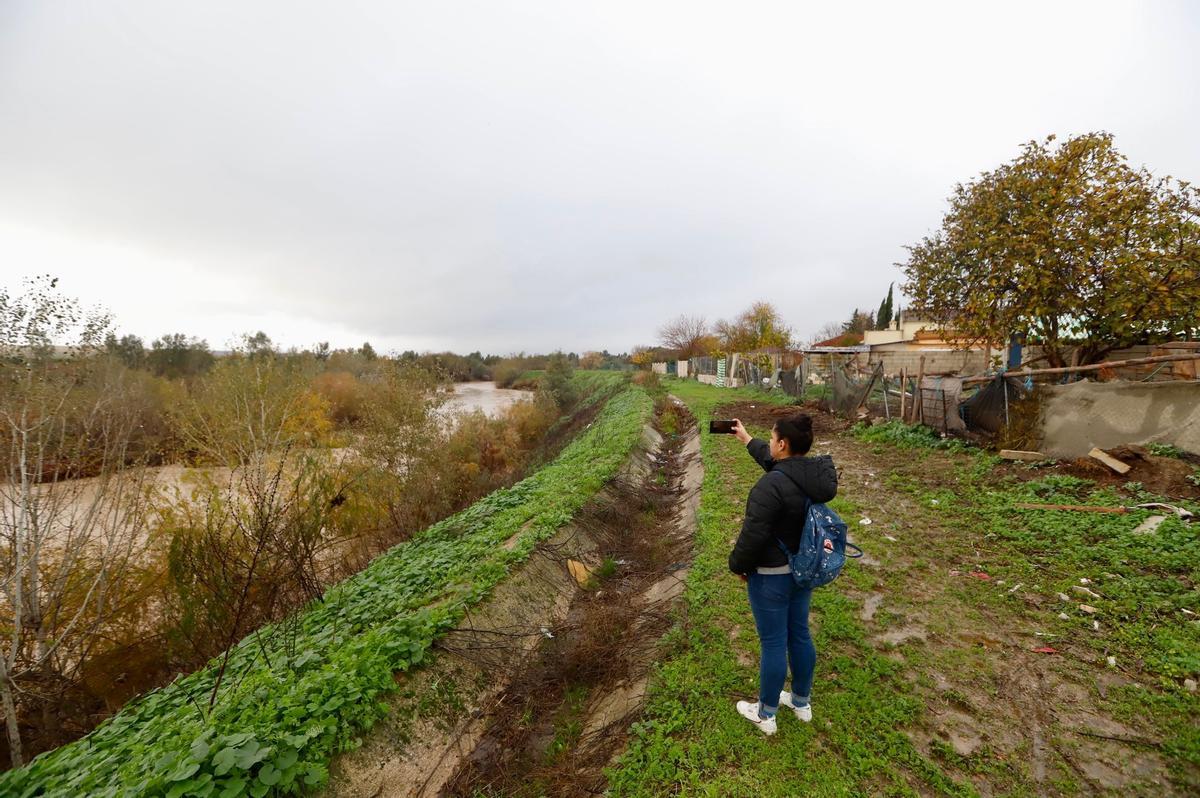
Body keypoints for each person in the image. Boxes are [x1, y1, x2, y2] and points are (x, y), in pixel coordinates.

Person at [727, 414, 837, 735]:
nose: (770, 442)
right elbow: (780, 466)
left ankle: (766, 714)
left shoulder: (770, 486)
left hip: (770, 577)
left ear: (783, 444)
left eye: (772, 438)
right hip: (801, 572)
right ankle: (801, 703)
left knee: (773, 643)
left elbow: (752, 536)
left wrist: (738, 565)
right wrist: (746, 438)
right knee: (799, 634)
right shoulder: (814, 477)